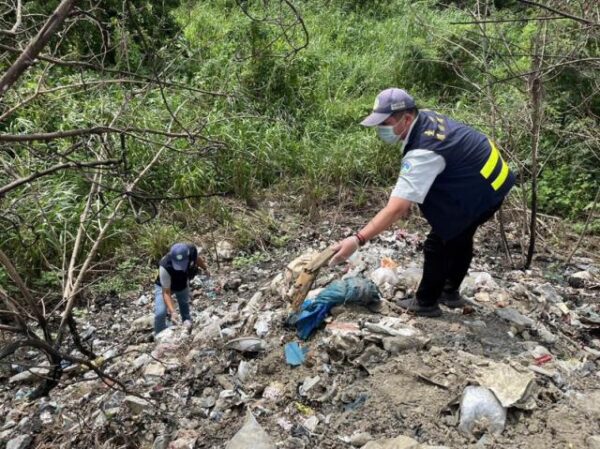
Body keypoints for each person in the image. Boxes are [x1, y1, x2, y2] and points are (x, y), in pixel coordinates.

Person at [329, 88, 515, 317]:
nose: (381, 129)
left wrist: (357, 240)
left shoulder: (423, 153)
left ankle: (426, 303)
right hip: (493, 182)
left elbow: (398, 207)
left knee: (439, 242)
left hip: (482, 190)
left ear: (406, 118)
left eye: (385, 123)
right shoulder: (424, 117)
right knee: (460, 234)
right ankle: (450, 292)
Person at [154, 242, 209, 334]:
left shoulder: (191, 251)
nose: (180, 267)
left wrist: (205, 268)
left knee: (184, 306)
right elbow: (166, 292)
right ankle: (160, 334)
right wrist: (173, 312)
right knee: (160, 313)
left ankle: (187, 329)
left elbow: (196, 259)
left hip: (182, 283)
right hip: (164, 286)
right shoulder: (164, 266)